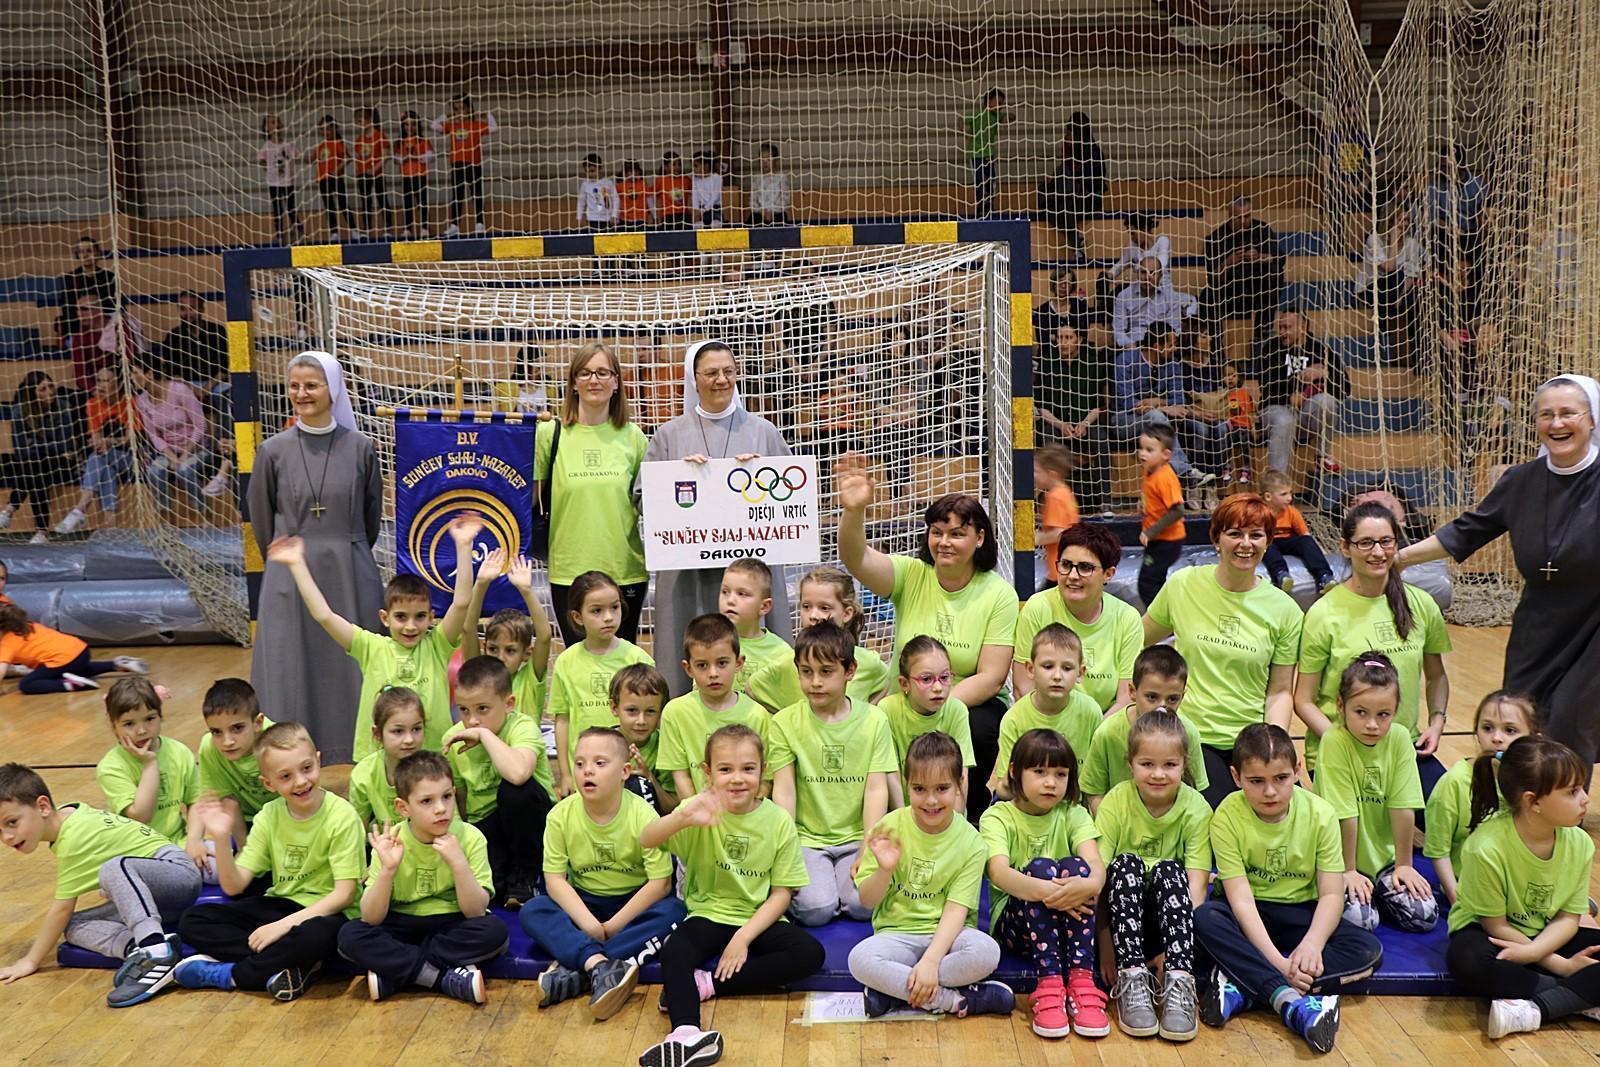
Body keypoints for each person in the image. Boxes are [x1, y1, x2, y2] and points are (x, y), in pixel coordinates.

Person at [1396, 375, 1600, 777]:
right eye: (1546, 414)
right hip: (1537, 625)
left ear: (1591, 420)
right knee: (1515, 718)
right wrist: (1397, 558)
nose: (1557, 423)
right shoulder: (1520, 481)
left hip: (1594, 628)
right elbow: (1465, 531)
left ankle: (1564, 808)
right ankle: (1518, 804)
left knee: (1569, 724)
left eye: (1568, 413)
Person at [837, 457, 1018, 819]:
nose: (944, 542)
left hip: (968, 706)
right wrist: (854, 512)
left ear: (980, 538)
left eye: (957, 534)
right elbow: (856, 559)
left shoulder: (998, 594)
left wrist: (935, 708)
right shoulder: (912, 575)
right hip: (904, 702)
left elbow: (991, 677)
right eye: (937, 532)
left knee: (980, 728)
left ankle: (972, 823)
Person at [638, 724, 825, 1067]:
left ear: (763, 770)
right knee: (675, 951)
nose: (737, 779)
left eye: (747, 769)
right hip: (708, 914)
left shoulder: (778, 821)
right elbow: (647, 839)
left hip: (757, 917)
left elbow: (781, 894)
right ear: (707, 772)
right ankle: (685, 1033)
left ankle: (708, 984)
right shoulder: (696, 809)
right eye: (725, 770)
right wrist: (682, 817)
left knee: (810, 953)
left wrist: (743, 938)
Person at [1195, 724, 1383, 1054]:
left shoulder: (1321, 814)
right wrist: (1280, 965)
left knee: (1367, 950)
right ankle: (1287, 999)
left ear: (1297, 771)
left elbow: (1331, 894)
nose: (1270, 791)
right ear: (1236, 777)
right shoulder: (1226, 815)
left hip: (1300, 913)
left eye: (1280, 778)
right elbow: (1241, 900)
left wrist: (1312, 943)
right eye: (1256, 781)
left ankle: (1246, 985)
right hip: (1249, 914)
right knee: (1205, 919)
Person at [247, 351, 384, 763]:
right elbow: (261, 517)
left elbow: (371, 515)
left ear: (333, 389)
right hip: (290, 575)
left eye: (311, 385)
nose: (301, 393)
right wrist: (287, 558)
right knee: (291, 665)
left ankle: (358, 749)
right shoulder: (272, 450)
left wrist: (343, 547)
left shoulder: (361, 448)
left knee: (352, 663)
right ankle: (289, 757)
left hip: (349, 569)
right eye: (294, 386)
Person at [644, 340, 793, 696]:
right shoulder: (668, 436)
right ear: (694, 379)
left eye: (728, 372)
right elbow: (643, 497)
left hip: (751, 566)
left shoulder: (764, 431)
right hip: (689, 576)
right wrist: (679, 476)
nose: (721, 380)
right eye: (711, 373)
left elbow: (790, 490)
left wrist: (762, 473)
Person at [177, 723, 363, 1001]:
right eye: (286, 776)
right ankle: (292, 963)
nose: (300, 782)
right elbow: (234, 886)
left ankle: (233, 975)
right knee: (193, 920)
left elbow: (344, 895)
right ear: (269, 783)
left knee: (317, 936)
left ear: (318, 761)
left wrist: (283, 926)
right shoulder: (268, 815)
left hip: (329, 912)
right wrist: (221, 837)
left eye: (307, 768)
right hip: (283, 903)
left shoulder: (342, 816)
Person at [267, 511, 477, 758]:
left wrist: (464, 546)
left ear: (431, 618)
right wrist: (297, 564)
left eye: (420, 616)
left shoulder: (437, 646)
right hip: (379, 759)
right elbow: (324, 615)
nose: (410, 626)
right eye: (401, 617)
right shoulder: (370, 647)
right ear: (385, 618)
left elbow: (461, 603)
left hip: (429, 758)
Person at [1143, 494, 1302, 807]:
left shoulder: (1286, 611)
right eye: (1235, 533)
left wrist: (1272, 746)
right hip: (1193, 736)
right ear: (1217, 539)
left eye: (1256, 535)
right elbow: (1136, 639)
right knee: (1218, 814)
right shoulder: (1183, 585)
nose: (1246, 544)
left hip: (1251, 739)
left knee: (1282, 812)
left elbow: (1280, 691)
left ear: (1268, 542)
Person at [0, 763, 202, 1006]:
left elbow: (60, 908)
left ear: (43, 806)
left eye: (12, 822)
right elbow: (65, 917)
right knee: (73, 924)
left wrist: (30, 961)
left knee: (112, 868)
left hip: (179, 876)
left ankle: (156, 951)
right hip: (152, 896)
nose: (6, 837)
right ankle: (135, 949)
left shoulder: (74, 838)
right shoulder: (69, 814)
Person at [523, 728, 685, 1017]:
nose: (588, 771)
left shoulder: (643, 814)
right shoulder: (560, 815)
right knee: (533, 910)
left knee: (675, 912)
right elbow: (555, 880)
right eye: (580, 763)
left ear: (625, 772)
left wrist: (612, 926)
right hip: (584, 902)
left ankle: (580, 966)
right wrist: (589, 924)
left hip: (633, 904)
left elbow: (660, 884)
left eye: (600, 763)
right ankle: (599, 965)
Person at [851, 732, 1013, 1019]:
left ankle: (894, 992)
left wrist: (930, 961)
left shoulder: (972, 842)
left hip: (949, 939)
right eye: (919, 789)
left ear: (960, 784)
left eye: (942, 788)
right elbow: (867, 900)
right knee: (859, 959)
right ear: (907, 786)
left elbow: (955, 910)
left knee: (986, 952)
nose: (931, 800)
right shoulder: (889, 827)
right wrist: (884, 870)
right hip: (897, 934)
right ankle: (955, 999)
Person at [1445, 736, 1598, 1040]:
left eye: (1582, 788)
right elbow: (1495, 924)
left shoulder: (1580, 843)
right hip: (1490, 933)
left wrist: (1535, 952)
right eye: (1572, 791)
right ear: (1533, 802)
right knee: (1468, 962)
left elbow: (1568, 918)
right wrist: (1563, 967)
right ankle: (1578, 995)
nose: (1585, 799)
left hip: (1548, 934)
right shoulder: (1485, 847)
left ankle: (1537, 1008)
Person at [1296, 501, 1452, 783]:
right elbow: (1303, 700)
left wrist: (1437, 722)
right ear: (1345, 548)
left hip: (1402, 748)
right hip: (1339, 752)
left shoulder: (1422, 604)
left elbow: (1437, 676)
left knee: (1456, 808)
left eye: (1386, 542)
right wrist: (1338, 741)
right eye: (1366, 543)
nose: (1378, 552)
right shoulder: (1323, 613)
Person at [336, 751, 508, 1005]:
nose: (441, 809)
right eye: (427, 801)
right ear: (403, 807)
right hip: (401, 923)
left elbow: (475, 912)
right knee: (349, 935)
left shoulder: (470, 837)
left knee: (495, 932)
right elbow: (371, 918)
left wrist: (459, 864)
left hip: (452, 921)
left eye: (447, 796)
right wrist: (387, 871)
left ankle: (397, 974)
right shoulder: (391, 841)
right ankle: (440, 978)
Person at [980, 729, 1106, 1039]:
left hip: (1068, 925)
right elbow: (999, 873)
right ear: (1014, 771)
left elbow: (1096, 867)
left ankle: (1081, 982)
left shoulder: (1074, 813)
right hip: (1017, 927)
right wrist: (1051, 892)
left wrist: (1089, 885)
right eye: (1039, 772)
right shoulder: (997, 816)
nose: (1051, 782)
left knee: (1078, 868)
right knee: (1041, 868)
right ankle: (1049, 983)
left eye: (1060, 774)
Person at [1095, 710, 1212, 1042]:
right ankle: (1132, 978)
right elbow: (1097, 881)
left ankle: (1180, 981)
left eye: (1169, 765)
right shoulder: (1116, 801)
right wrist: (1106, 946)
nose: (1158, 774)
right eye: (1147, 764)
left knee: (1168, 870)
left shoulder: (1197, 808)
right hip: (1121, 924)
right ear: (1130, 763)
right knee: (1126, 865)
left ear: (1184, 764)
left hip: (1174, 926)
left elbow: (1196, 890)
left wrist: (1170, 949)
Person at [769, 622, 896, 927]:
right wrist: (787, 849)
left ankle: (840, 887)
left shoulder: (874, 721)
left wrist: (867, 845)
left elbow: (876, 789)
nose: (815, 682)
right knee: (816, 910)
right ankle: (828, 888)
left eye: (826, 672)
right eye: (806, 672)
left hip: (856, 837)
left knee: (863, 904)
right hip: (807, 840)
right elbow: (784, 791)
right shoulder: (784, 723)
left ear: (849, 671)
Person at [535, 343, 651, 646]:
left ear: (616, 382)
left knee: (624, 668)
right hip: (569, 572)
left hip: (624, 572)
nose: (594, 380)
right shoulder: (549, 434)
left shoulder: (634, 437)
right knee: (579, 663)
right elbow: (530, 500)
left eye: (602, 372)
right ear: (573, 383)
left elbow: (652, 502)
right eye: (585, 373)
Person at [1312, 655, 1437, 933]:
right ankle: (1357, 890)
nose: (1372, 724)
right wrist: (1348, 870)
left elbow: (1403, 807)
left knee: (1424, 915)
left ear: (1395, 710)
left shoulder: (1400, 738)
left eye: (1383, 715)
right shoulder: (1334, 740)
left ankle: (1379, 887)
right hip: (1339, 859)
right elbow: (1345, 815)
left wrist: (1404, 865)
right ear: (1341, 706)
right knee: (1362, 922)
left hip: (1385, 860)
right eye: (1361, 712)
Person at [444, 655, 555, 908]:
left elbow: (518, 773)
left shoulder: (522, 726)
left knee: (515, 790)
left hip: (531, 821)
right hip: (487, 823)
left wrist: (484, 736)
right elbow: (459, 796)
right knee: (494, 889)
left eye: (482, 709)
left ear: (508, 704)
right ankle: (507, 873)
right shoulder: (453, 738)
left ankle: (528, 872)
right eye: (463, 710)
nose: (472, 720)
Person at [1425, 691, 1542, 905]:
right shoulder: (1454, 783)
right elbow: (1437, 850)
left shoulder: (1539, 783)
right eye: (1487, 728)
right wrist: (1456, 898)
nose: (1496, 738)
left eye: (1510, 730)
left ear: (1533, 738)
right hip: (1470, 889)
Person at [1014, 522, 1142, 713]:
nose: (1073, 575)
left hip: (1104, 725)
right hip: (1047, 725)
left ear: (1108, 574)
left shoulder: (1127, 619)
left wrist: (1095, 730)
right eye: (1066, 565)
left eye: (1085, 567)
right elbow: (1023, 688)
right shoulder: (1038, 608)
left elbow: (1126, 699)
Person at [548, 570, 653, 796]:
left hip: (628, 771)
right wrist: (565, 774)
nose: (608, 617)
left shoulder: (638, 658)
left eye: (614, 607)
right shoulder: (566, 661)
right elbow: (563, 719)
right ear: (578, 617)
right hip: (586, 773)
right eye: (597, 610)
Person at [745, 565, 892, 713]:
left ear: (847, 613)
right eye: (806, 606)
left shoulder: (868, 661)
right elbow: (753, 688)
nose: (813, 615)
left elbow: (886, 682)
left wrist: (865, 715)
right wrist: (787, 719)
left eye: (824, 608)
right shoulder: (787, 662)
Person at [656, 613, 772, 799]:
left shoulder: (758, 716)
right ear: (688, 668)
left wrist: (747, 809)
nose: (713, 673)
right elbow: (680, 777)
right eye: (702, 665)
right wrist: (700, 811)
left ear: (739, 663)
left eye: (722, 663)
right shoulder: (675, 713)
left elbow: (766, 780)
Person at [1080, 646, 1208, 808]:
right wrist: (1111, 821)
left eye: (1172, 699)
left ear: (1183, 696)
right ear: (1132, 691)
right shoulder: (1107, 733)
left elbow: (1195, 792)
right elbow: (1094, 793)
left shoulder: (1188, 733)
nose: (1161, 707)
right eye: (1152, 697)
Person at [989, 625, 1101, 799]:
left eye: (1067, 668)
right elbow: (1006, 788)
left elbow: (1094, 781)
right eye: (1048, 666)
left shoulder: (1091, 712)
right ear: (1030, 669)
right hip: (1024, 803)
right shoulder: (1014, 719)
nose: (1057, 676)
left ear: (1080, 673)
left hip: (1071, 806)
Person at [94, 677, 199, 848]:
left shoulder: (179, 752)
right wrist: (150, 764)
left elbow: (196, 801)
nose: (142, 730)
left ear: (160, 717)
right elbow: (141, 816)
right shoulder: (111, 767)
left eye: (149, 719)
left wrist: (194, 841)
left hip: (178, 844)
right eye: (129, 723)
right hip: (137, 849)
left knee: (222, 853)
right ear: (114, 727)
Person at [1249, 310, 1347, 478]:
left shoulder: (1320, 349)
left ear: (1302, 327)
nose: (1282, 332)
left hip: (1304, 418)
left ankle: (1322, 457)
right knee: (1285, 420)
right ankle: (1277, 480)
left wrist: (1325, 374)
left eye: (1287, 327)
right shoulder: (1271, 348)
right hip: (1275, 411)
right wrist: (1295, 387)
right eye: (1280, 327)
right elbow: (1266, 386)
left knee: (1327, 402)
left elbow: (1345, 389)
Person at [878, 637, 974, 805]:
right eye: (926, 679)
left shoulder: (957, 711)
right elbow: (890, 774)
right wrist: (903, 817)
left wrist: (954, 818)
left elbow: (961, 777)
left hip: (945, 811)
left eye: (944, 677)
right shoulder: (888, 710)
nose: (938, 688)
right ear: (904, 683)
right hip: (904, 811)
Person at [1108, 322, 1200, 484]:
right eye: (1171, 345)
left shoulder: (1173, 364)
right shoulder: (1125, 360)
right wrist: (1163, 408)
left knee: (1200, 427)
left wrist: (1158, 402)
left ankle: (1200, 481)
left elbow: (1179, 402)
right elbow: (1129, 404)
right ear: (1157, 346)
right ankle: (1185, 472)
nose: (1175, 349)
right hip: (1124, 420)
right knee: (1156, 415)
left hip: (1161, 419)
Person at [0, 369, 83, 542]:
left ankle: (10, 509)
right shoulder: (19, 411)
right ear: (33, 393)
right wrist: (49, 448)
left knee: (34, 465)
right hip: (36, 462)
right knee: (36, 468)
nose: (50, 392)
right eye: (43, 389)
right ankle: (41, 532)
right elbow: (20, 450)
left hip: (61, 462)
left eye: (51, 386)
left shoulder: (63, 406)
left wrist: (36, 445)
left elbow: (65, 443)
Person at [0, 602, 145, 694]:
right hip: (81, 650)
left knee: (27, 684)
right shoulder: (29, 626)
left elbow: (1, 670)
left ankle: (71, 684)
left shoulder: (7, 643)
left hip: (62, 659)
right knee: (74, 669)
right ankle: (117, 664)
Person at [195, 679, 273, 848]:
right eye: (216, 732)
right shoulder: (209, 748)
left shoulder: (278, 743)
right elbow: (228, 800)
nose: (227, 742)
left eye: (237, 728)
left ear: (257, 723)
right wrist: (244, 849)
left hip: (286, 816)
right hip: (246, 823)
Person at [132, 354, 211, 515]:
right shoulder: (142, 401)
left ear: (149, 374)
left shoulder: (180, 390)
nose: (132, 378)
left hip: (197, 449)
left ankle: (203, 512)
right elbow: (153, 435)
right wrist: (173, 457)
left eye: (135, 373)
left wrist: (185, 455)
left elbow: (201, 425)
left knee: (184, 470)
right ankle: (165, 513)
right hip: (170, 451)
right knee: (153, 471)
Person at [1202, 196, 1283, 344]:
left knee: (1275, 272)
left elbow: (1280, 258)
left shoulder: (1262, 229)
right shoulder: (1216, 238)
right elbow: (1212, 279)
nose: (1243, 221)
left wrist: (1259, 256)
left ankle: (1263, 332)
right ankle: (1215, 344)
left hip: (1257, 292)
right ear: (1230, 215)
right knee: (1207, 295)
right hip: (1230, 293)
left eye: (1247, 216)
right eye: (1238, 217)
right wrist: (1228, 263)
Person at [346, 686, 427, 832]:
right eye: (398, 731)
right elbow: (358, 831)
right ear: (377, 733)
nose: (409, 739)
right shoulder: (364, 773)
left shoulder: (434, 770)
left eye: (416, 729)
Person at [1356, 206, 1427, 365]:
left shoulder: (1411, 243)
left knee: (1415, 300)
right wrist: (1394, 239)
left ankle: (1417, 358)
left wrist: (1401, 297)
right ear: (1390, 221)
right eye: (1400, 219)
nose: (1404, 224)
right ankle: (1384, 335)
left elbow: (1414, 272)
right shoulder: (1374, 239)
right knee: (1397, 275)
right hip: (1372, 289)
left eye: (1407, 220)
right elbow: (1389, 267)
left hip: (1399, 293)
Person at [1035, 111, 1106, 254]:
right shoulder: (1069, 148)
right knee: (1049, 198)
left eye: (1071, 132)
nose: (1067, 135)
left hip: (1088, 197)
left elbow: (1092, 180)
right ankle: (1076, 241)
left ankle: (1075, 242)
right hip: (1068, 193)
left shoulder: (1094, 153)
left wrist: (1064, 177)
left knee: (1063, 202)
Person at [608, 664, 676, 813]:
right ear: (614, 707)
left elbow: (672, 807)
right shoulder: (600, 745)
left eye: (650, 711)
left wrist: (648, 778)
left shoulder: (666, 747)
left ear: (662, 711)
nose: (641, 721)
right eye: (632, 710)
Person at [720, 557, 792, 696]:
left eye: (742, 594)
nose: (730, 600)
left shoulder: (781, 653)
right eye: (725, 592)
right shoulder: (710, 643)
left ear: (764, 606)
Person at [1258, 470, 1334, 593]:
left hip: (1288, 541)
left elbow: (1305, 534)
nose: (1290, 498)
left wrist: (1319, 550)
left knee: (1304, 541)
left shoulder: (1292, 512)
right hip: (1269, 541)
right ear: (1268, 497)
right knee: (1266, 543)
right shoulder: (1258, 513)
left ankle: (1325, 576)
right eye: (1284, 494)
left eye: (1290, 493)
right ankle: (1281, 575)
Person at [1137, 425, 1186, 607]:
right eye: (1141, 448)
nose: (1143, 453)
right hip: (1158, 539)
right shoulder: (1149, 469)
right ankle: (1166, 612)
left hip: (1167, 541)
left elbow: (1178, 510)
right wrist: (1143, 502)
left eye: (1149, 450)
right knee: (1156, 580)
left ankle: (1158, 618)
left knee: (1147, 583)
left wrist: (1151, 531)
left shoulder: (1165, 477)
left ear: (1166, 454)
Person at [433, 94, 496, 236]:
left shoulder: (476, 125)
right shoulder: (452, 125)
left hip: (474, 164)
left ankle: (479, 224)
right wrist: (448, 115)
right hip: (457, 165)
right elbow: (434, 125)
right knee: (457, 195)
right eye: (456, 109)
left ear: (469, 109)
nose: (459, 112)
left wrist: (485, 114)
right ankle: (454, 225)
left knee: (476, 194)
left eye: (462, 108)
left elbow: (494, 128)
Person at [1112, 258, 1199, 353]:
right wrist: (1132, 349)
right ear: (1138, 274)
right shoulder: (1124, 296)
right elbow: (1118, 331)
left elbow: (1175, 330)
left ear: (1160, 275)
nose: (1147, 277)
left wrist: (1162, 348)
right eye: (1143, 272)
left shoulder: (1170, 297)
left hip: (1162, 348)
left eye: (1152, 273)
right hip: (1132, 347)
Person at [1032, 446, 1080, 590]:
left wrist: (1035, 539)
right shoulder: (1065, 493)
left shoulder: (1055, 498)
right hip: (1065, 565)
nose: (1033, 475)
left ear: (1052, 474)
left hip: (1059, 569)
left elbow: (1060, 533)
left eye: (1037, 471)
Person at [55, 235, 116, 347]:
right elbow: (67, 308)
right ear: (77, 255)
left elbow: (115, 305)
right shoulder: (70, 279)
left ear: (97, 253)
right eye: (81, 252)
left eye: (89, 251)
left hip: (104, 326)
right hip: (78, 327)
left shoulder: (109, 277)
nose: (85, 255)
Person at [962, 88, 1010, 217]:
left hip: (989, 153)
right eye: (998, 103)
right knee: (979, 180)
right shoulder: (977, 114)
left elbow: (1007, 118)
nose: (1000, 106)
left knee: (991, 179)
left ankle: (990, 205)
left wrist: (1011, 117)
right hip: (975, 153)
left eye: (1001, 104)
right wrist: (964, 130)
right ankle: (980, 206)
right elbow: (961, 119)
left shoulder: (997, 115)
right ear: (988, 102)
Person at [312, 115, 359, 241]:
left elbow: (347, 158)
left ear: (334, 129)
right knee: (329, 206)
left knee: (343, 204)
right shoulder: (320, 145)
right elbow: (312, 159)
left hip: (336, 178)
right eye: (322, 129)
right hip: (323, 180)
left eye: (328, 128)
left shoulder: (338, 143)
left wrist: (336, 170)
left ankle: (354, 230)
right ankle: (334, 232)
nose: (325, 132)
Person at [257, 116, 303, 244]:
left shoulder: (288, 145)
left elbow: (298, 156)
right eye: (272, 122)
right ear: (267, 128)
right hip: (273, 182)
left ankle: (299, 230)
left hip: (287, 182)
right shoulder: (266, 146)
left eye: (278, 122)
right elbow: (261, 159)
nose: (276, 124)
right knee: (277, 210)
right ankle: (279, 235)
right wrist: (264, 164)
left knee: (291, 208)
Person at [352, 107, 394, 239]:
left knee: (382, 200)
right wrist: (358, 170)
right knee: (365, 202)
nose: (359, 124)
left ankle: (388, 228)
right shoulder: (359, 139)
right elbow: (357, 156)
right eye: (357, 122)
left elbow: (385, 155)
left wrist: (375, 169)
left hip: (377, 174)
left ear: (369, 120)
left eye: (361, 121)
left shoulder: (379, 135)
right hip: (363, 175)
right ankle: (367, 229)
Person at [394, 111, 434, 238]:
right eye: (406, 124)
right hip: (406, 176)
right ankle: (408, 228)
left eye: (413, 124)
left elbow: (430, 156)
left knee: (422, 202)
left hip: (420, 175)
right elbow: (396, 159)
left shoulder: (422, 141)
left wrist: (416, 157)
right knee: (407, 203)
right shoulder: (399, 142)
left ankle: (424, 227)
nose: (410, 127)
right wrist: (405, 158)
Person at [748, 142, 791, 225]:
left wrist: (772, 211)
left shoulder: (782, 177)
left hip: (777, 213)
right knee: (752, 219)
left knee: (781, 217)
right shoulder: (756, 178)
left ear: (775, 160)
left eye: (768, 159)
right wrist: (760, 211)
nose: (765, 162)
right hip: (760, 213)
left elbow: (785, 199)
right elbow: (753, 199)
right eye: (762, 159)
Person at [575, 152, 618, 230]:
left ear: (600, 168)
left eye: (592, 171)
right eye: (587, 171)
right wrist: (579, 217)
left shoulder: (608, 183)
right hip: (592, 219)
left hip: (607, 218)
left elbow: (615, 199)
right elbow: (581, 202)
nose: (589, 174)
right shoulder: (585, 184)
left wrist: (614, 215)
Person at [651, 151, 691, 228]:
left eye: (679, 164)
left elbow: (690, 199)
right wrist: (657, 216)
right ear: (665, 167)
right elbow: (658, 200)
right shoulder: (660, 180)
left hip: (684, 215)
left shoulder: (686, 180)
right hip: (668, 215)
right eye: (674, 164)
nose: (677, 167)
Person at [690, 151, 723, 228]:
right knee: (697, 226)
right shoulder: (695, 179)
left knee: (716, 224)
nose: (693, 169)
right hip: (700, 209)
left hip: (714, 208)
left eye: (696, 166)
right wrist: (696, 210)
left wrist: (704, 209)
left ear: (706, 166)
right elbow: (695, 196)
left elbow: (715, 197)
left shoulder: (717, 178)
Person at [616, 160, 650, 230]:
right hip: (625, 219)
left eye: (636, 171)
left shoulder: (643, 184)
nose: (634, 174)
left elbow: (648, 200)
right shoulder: (620, 186)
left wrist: (652, 215)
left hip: (641, 218)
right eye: (631, 172)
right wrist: (616, 217)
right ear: (625, 173)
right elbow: (618, 203)